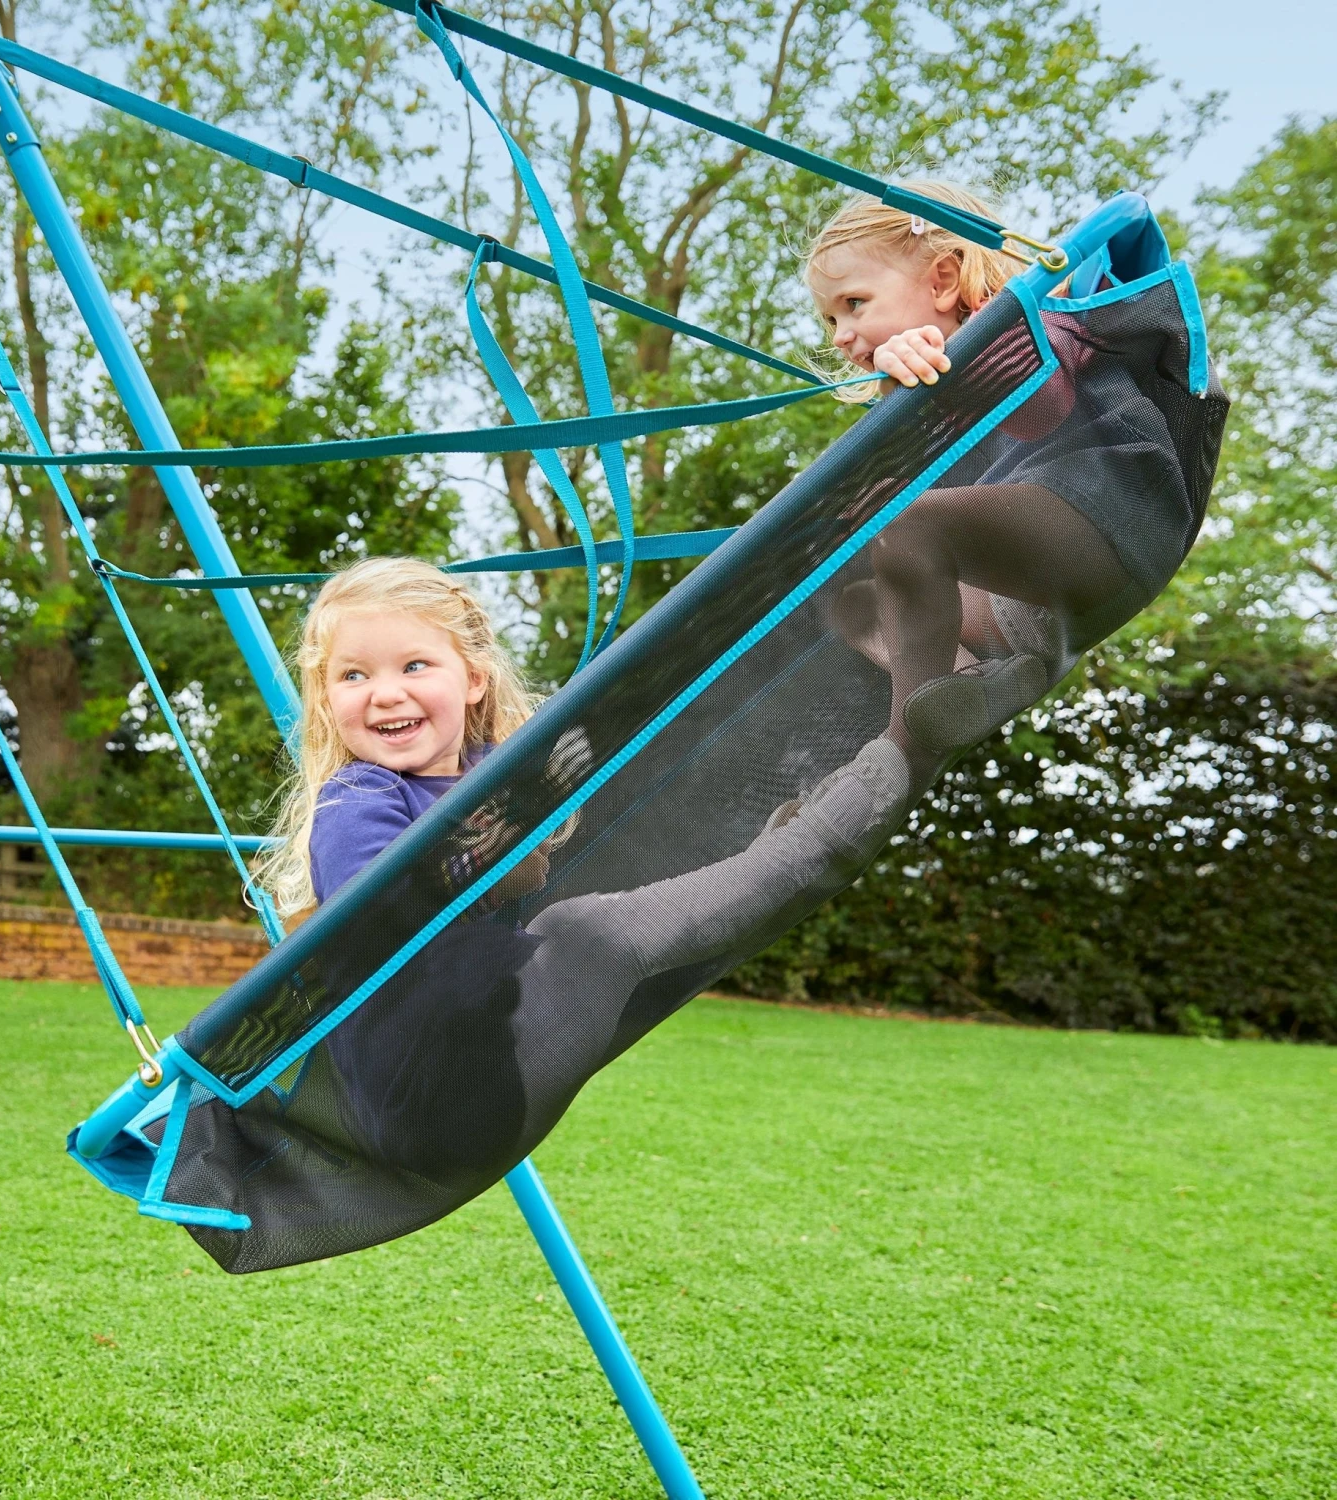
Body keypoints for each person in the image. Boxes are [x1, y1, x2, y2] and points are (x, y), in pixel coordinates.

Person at [251, 557, 910, 1184]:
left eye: (414, 665)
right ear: (326, 699)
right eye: (353, 676)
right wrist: (497, 840)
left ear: (473, 678)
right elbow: (383, 910)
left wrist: (515, 828)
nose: (385, 693)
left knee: (593, 916)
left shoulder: (492, 773)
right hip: (418, 1097)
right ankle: (800, 852)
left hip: (496, 1061)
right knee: (584, 932)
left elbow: (527, 878)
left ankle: (775, 854)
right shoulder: (359, 798)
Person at [803, 180, 1195, 791]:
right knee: (860, 591)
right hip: (1029, 587)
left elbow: (1042, 412)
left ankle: (903, 750)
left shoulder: (1023, 322)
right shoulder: (921, 380)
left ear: (942, 280)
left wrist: (955, 358)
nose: (838, 334)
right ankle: (966, 680)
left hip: (1107, 521)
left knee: (907, 519)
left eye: (854, 303)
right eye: (830, 317)